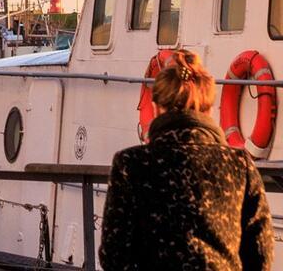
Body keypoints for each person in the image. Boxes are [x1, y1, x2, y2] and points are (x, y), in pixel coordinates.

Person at [100, 49, 273, 271]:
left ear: (155, 108)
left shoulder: (131, 164)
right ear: (209, 109)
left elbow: (113, 255)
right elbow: (261, 255)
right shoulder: (239, 166)